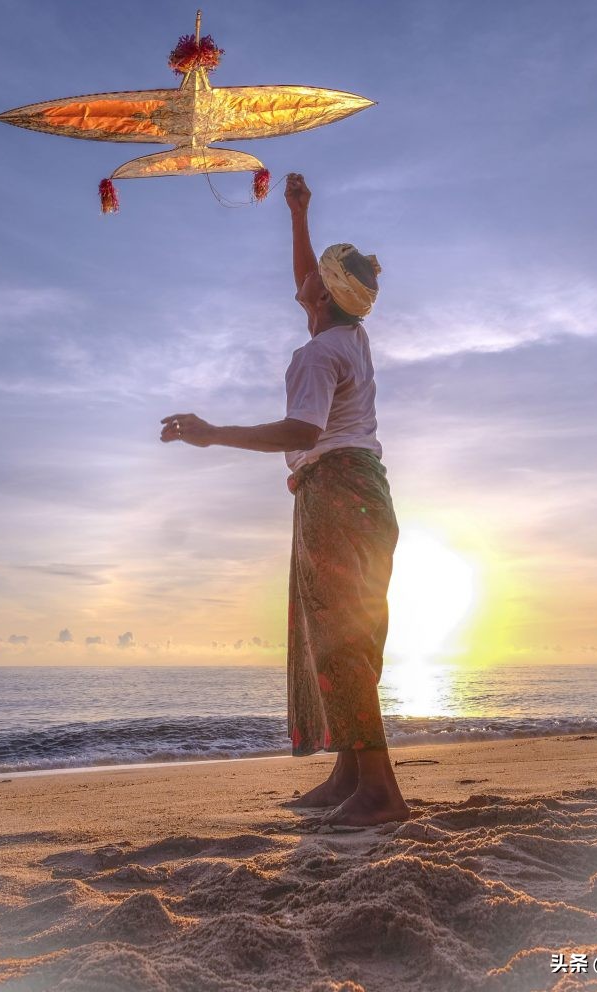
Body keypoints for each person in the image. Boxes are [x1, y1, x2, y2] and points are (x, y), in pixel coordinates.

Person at [161, 173, 409, 827]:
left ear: (323, 297)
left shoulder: (318, 354)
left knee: (337, 641)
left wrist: (214, 435)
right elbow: (308, 279)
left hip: (334, 493)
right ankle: (350, 775)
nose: (300, 284)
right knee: (347, 635)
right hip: (368, 495)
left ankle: (380, 792)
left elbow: (302, 432)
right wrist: (299, 213)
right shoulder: (349, 335)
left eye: (313, 281)